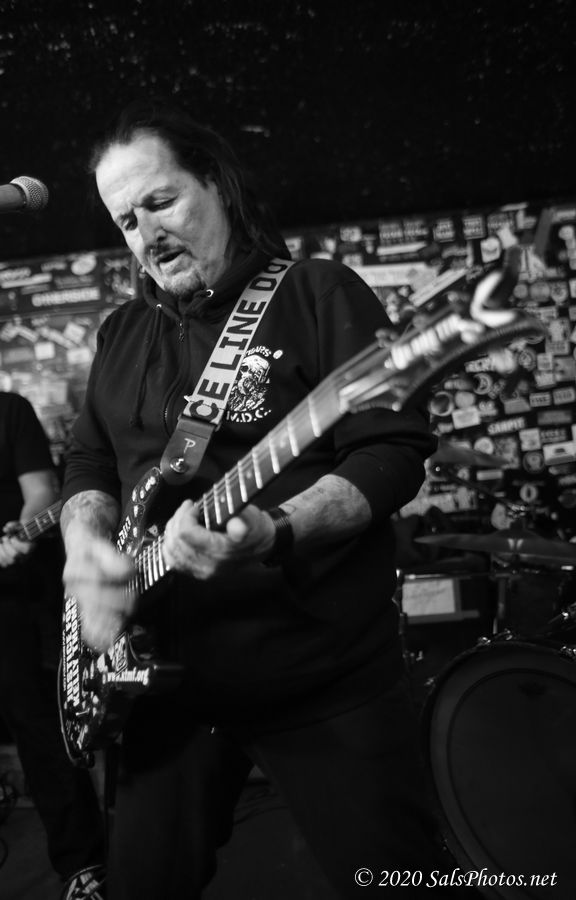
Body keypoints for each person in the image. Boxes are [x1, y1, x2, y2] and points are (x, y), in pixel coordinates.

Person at [60, 99, 451, 899]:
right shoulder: (120, 333)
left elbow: (390, 453)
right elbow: (90, 464)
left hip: (319, 677)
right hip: (160, 684)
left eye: (162, 201)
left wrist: (274, 529)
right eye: (127, 221)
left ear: (217, 184)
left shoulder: (316, 293)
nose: (147, 234)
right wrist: (87, 553)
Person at [0, 387, 106, 900]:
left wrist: (17, 533)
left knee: (36, 727)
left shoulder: (4, 411)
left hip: (1, 596)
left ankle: (83, 863)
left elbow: (43, 492)